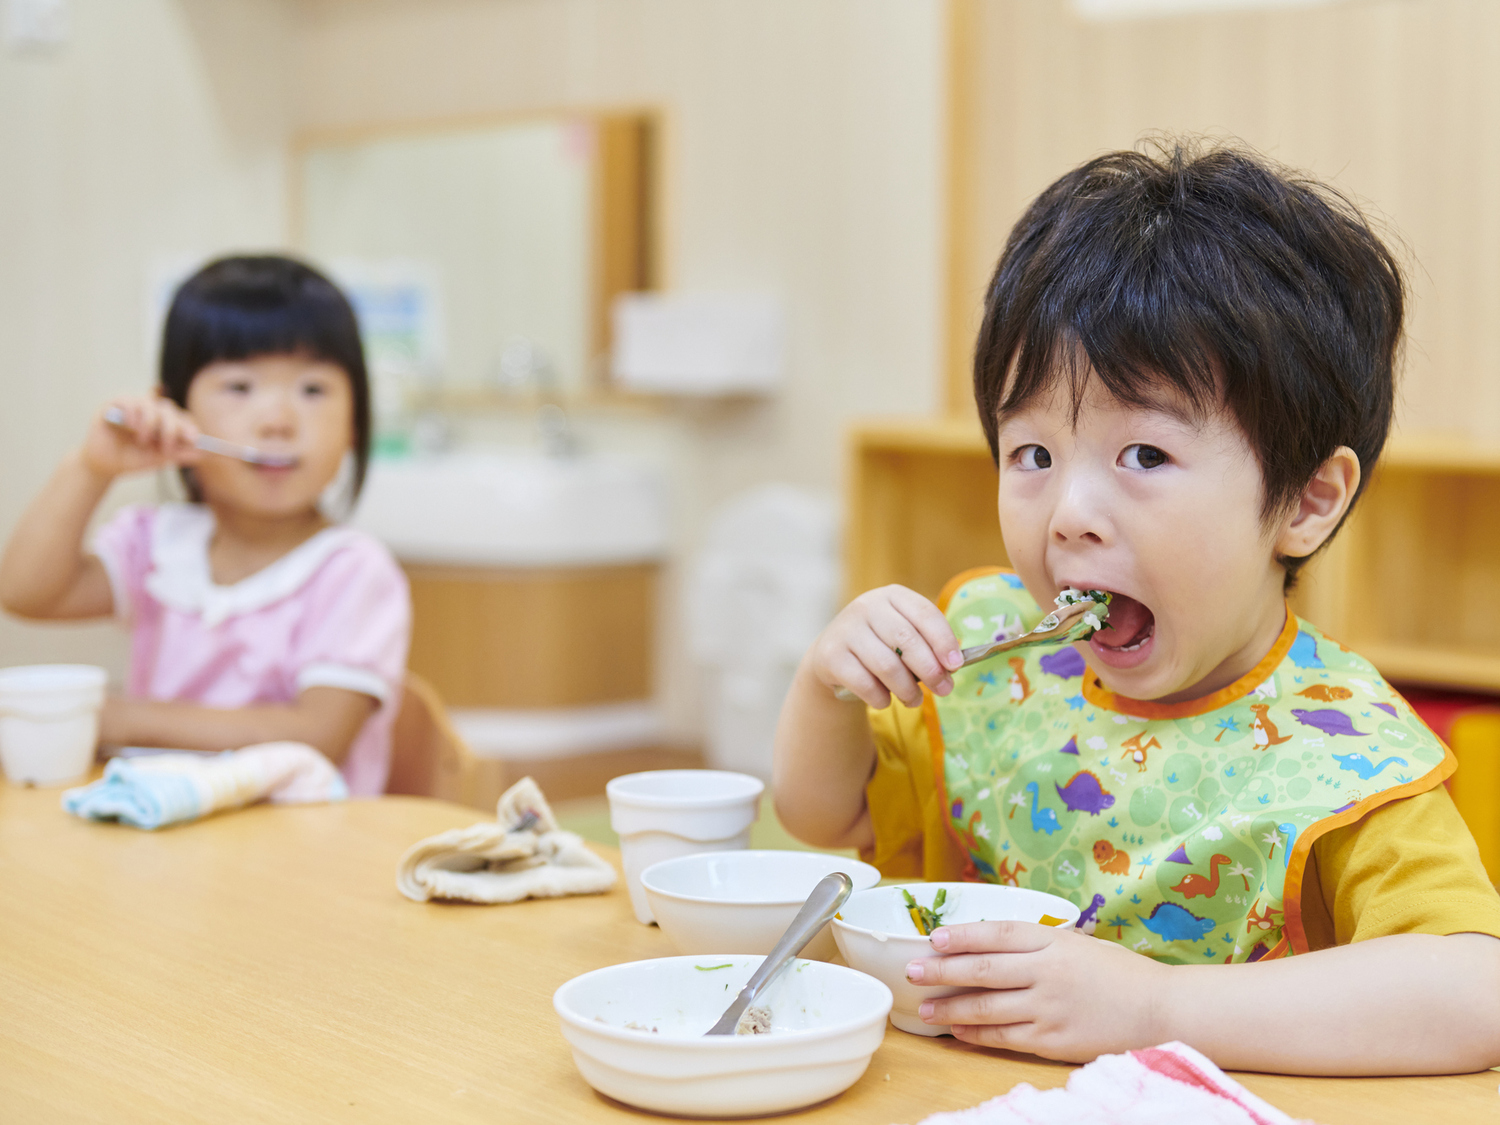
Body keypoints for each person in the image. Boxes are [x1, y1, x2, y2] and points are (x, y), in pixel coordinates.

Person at [773, 143, 1500, 1074]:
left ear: (1307, 501)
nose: (1069, 516)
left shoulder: (1343, 749)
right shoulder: (993, 646)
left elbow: (1473, 992)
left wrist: (1154, 1004)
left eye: (1145, 456)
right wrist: (826, 683)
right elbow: (821, 816)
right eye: (1032, 454)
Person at [0, 255, 410, 796]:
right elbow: (27, 592)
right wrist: (91, 468)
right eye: (239, 387)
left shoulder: (353, 572)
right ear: (176, 411)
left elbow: (315, 737)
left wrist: (116, 720)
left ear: (356, 424)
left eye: (312, 390)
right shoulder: (158, 544)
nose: (278, 421)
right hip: (162, 831)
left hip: (302, 854)